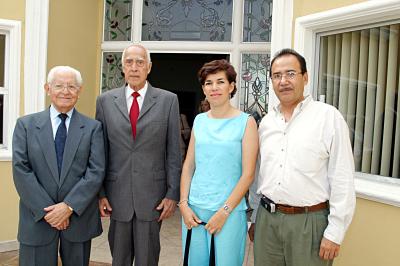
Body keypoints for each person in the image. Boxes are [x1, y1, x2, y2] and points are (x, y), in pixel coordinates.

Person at [249, 48, 356, 266]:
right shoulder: (267, 122)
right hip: (267, 220)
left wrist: (335, 232)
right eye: (277, 76)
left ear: (305, 77)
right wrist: (254, 219)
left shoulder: (328, 117)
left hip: (310, 223)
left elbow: (342, 178)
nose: (283, 81)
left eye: (290, 73)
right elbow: (259, 174)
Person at [96, 44, 181, 266]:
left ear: (149, 67)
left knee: (148, 259)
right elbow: (100, 151)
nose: (134, 67)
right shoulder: (105, 101)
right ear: (122, 67)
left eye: (140, 62)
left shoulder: (168, 101)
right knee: (119, 259)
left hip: (152, 196)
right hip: (117, 194)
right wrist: (101, 192)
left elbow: (173, 151)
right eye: (129, 62)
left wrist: (173, 193)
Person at [12, 66, 105, 266]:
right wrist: (50, 213)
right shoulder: (25, 126)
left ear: (79, 91)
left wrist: (69, 206)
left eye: (72, 86)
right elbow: (21, 170)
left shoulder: (93, 128)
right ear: (47, 88)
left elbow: (95, 171)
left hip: (78, 219)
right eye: (59, 86)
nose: (65, 91)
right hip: (37, 219)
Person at [179, 59, 259, 265]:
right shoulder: (199, 120)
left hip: (228, 212)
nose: (214, 87)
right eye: (208, 83)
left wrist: (224, 212)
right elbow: (189, 166)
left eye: (220, 82)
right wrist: (184, 205)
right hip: (194, 211)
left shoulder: (246, 122)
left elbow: (248, 174)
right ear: (203, 89)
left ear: (231, 86)